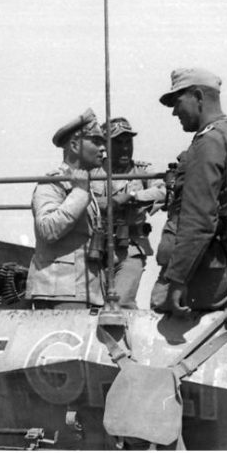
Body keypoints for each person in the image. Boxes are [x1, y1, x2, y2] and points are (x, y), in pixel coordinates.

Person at [151, 68, 227, 315]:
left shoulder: (207, 143)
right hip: (216, 268)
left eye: (177, 102)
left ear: (198, 96)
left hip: (195, 276)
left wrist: (177, 280)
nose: (175, 112)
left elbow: (198, 219)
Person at [25, 108, 107, 310]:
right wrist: (79, 193)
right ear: (74, 145)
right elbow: (47, 229)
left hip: (85, 290)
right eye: (96, 141)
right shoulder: (52, 183)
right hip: (60, 291)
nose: (104, 149)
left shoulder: (83, 184)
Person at [90, 117, 165, 309]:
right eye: (117, 143)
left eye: (127, 142)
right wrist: (103, 203)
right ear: (106, 145)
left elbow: (163, 191)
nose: (125, 148)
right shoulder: (92, 171)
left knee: (122, 304)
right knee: (92, 306)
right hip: (96, 248)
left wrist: (132, 196)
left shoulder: (142, 170)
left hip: (130, 249)